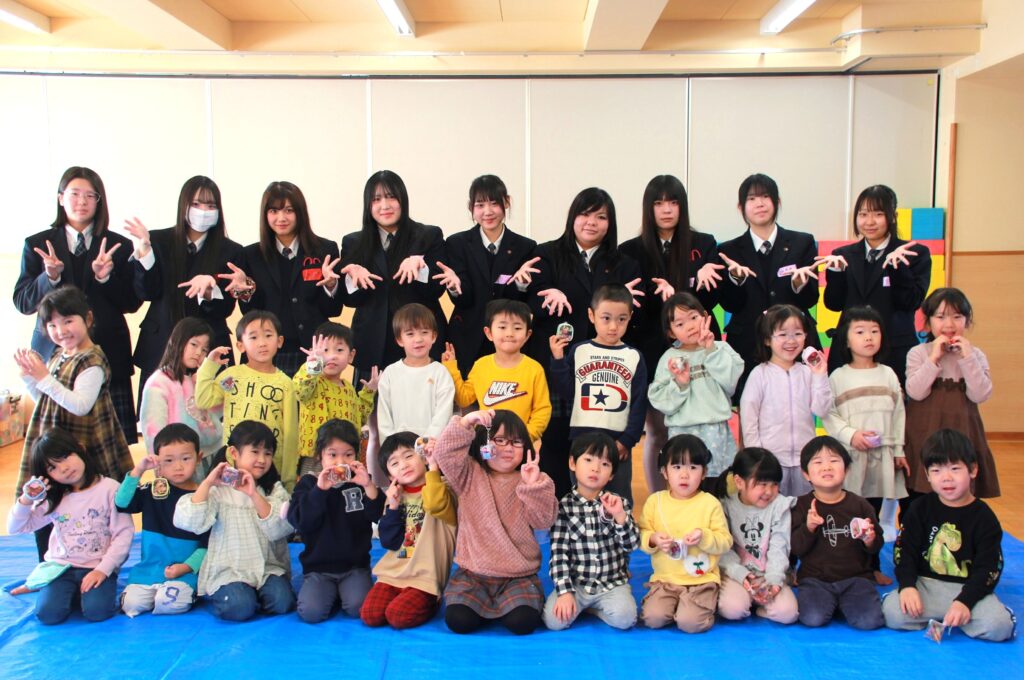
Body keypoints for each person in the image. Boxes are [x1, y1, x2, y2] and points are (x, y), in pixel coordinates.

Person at [526, 188, 642, 493]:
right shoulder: (545, 254)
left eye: (600, 217)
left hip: (606, 372)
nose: (591, 222)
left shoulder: (625, 264)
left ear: (610, 223)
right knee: (556, 445)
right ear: (572, 217)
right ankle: (557, 511)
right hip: (561, 366)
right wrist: (547, 294)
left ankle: (606, 514)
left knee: (601, 453)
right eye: (584, 214)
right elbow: (531, 302)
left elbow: (629, 312)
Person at [14, 166, 141, 442]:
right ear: (61, 198)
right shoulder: (37, 244)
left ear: (99, 201)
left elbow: (132, 302)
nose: (81, 201)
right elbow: (23, 302)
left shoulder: (118, 245)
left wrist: (105, 278)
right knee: (57, 443)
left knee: (109, 441)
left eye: (90, 195)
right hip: (54, 353)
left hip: (107, 351)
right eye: (74, 194)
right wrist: (49, 278)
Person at [13, 287, 134, 560]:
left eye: (68, 321)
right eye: (52, 324)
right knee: (48, 498)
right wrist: (30, 378)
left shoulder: (92, 360)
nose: (61, 330)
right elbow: (47, 399)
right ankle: (50, 560)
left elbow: (80, 405)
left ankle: (93, 558)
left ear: (88, 319)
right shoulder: (59, 354)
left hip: (81, 443)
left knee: (85, 501)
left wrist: (44, 378)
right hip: (54, 442)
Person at [621, 175, 723, 494]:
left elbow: (712, 299)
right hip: (651, 351)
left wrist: (691, 283)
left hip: (700, 350)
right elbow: (638, 306)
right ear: (648, 208)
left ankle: (700, 501)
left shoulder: (704, 244)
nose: (666, 210)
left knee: (700, 429)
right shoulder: (631, 250)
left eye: (673, 202)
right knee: (656, 432)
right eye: (659, 203)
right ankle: (657, 501)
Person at [882, 429, 1015, 642]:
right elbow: (904, 551)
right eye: (936, 471)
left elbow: (989, 566)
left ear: (973, 470)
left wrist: (965, 601)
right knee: (892, 613)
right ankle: (946, 616)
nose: (946, 478)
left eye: (955, 469)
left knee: (998, 627)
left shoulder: (984, 517)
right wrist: (907, 586)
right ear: (927, 475)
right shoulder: (920, 508)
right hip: (926, 585)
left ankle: (960, 614)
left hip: (967, 588)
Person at [433, 409, 558, 635]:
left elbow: (544, 521)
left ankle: (501, 607)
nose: (508, 448)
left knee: (522, 622)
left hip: (517, 576)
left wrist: (532, 486)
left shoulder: (536, 480)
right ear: (484, 442)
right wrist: (465, 422)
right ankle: (482, 606)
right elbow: (444, 453)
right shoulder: (468, 473)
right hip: (473, 574)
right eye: (499, 440)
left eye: (516, 442)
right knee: (459, 620)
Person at [127, 175, 244, 394]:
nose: (203, 211)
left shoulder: (231, 251)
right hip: (161, 344)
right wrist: (144, 251)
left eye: (211, 205)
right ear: (184, 205)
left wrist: (210, 291)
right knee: (157, 410)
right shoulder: (157, 240)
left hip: (208, 351)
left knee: (209, 412)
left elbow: (225, 309)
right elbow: (146, 292)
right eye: (196, 204)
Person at [6, 428, 133, 624]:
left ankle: (75, 593)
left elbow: (123, 534)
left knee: (97, 611)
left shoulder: (110, 488)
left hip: (96, 566)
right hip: (60, 568)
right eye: (52, 468)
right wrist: (26, 499)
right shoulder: (55, 497)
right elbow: (16, 528)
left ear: (80, 449)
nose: (64, 468)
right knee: (48, 614)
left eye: (65, 457)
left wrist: (103, 569)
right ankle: (62, 591)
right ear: (47, 475)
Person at [215, 181, 343, 377]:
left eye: (289, 210)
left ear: (300, 213)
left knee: (311, 396)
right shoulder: (250, 255)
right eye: (274, 211)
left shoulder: (324, 250)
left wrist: (332, 286)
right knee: (265, 397)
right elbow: (250, 313)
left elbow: (333, 310)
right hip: (265, 353)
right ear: (265, 215)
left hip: (312, 353)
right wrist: (246, 292)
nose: (281, 218)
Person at [173, 420, 294, 621]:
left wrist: (254, 494)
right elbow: (189, 522)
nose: (262, 459)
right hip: (230, 570)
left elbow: (280, 528)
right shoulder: (218, 490)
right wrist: (208, 483)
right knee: (239, 606)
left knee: (283, 603)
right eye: (255, 452)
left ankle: (253, 595)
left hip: (267, 568)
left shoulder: (273, 489)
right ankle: (242, 595)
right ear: (234, 453)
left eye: (268, 453)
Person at [822, 306, 908, 584]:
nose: (868, 337)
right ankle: (845, 565)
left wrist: (898, 449)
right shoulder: (838, 376)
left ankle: (871, 566)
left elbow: (899, 415)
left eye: (874, 331)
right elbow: (829, 415)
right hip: (852, 458)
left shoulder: (888, 374)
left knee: (872, 513)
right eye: (860, 332)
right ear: (846, 340)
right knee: (848, 511)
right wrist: (851, 435)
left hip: (882, 457)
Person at [338, 170, 448, 381]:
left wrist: (420, 268)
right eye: (376, 199)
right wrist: (353, 280)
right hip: (372, 345)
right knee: (370, 402)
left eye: (391, 197)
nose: (385, 205)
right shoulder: (353, 242)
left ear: (402, 199)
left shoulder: (428, 235)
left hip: (418, 343)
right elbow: (350, 300)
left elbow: (436, 290)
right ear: (368, 205)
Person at [718, 173, 820, 399]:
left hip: (793, 345)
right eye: (752, 199)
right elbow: (730, 304)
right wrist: (736, 280)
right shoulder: (728, 251)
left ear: (777, 202)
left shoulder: (802, 243)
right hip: (747, 346)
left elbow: (811, 299)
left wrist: (799, 285)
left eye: (765, 197)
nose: (760, 204)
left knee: (798, 407)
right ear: (741, 207)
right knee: (749, 409)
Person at [821, 184, 932, 384]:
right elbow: (833, 304)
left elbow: (911, 302)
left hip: (894, 349)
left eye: (878, 214)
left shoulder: (915, 253)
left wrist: (898, 267)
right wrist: (836, 274)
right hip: (848, 351)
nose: (869, 222)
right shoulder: (842, 255)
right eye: (863, 214)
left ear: (892, 216)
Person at [550, 284, 647, 502]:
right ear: (591, 316)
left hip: (618, 442)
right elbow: (567, 393)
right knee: (582, 498)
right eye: (606, 318)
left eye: (621, 319)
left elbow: (639, 403)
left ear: (630, 317)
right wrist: (558, 360)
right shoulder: (579, 350)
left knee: (619, 498)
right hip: (582, 440)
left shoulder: (634, 356)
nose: (613, 326)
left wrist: (627, 440)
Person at [904, 288, 999, 501]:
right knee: (918, 495)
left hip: (963, 431)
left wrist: (968, 358)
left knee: (960, 492)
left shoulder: (976, 355)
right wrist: (934, 358)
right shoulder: (918, 353)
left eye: (957, 316)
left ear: (967, 320)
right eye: (940, 317)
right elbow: (916, 392)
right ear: (928, 322)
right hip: (923, 432)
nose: (949, 324)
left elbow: (980, 394)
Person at [287, 419, 383, 623]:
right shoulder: (309, 484)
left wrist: (369, 486)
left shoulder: (360, 482)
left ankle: (345, 591)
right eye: (332, 455)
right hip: (319, 569)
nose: (340, 461)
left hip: (354, 566)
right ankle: (331, 592)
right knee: (311, 612)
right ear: (319, 456)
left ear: (356, 456)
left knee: (359, 607)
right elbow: (301, 522)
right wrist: (320, 490)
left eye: (348, 454)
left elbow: (379, 515)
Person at [543, 432, 640, 631]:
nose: (595, 468)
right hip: (577, 584)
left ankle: (594, 610)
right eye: (588, 460)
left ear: (612, 474)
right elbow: (559, 554)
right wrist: (565, 592)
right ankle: (584, 606)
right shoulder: (563, 507)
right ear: (573, 463)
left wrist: (620, 516)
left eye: (604, 464)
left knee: (626, 619)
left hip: (611, 583)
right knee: (553, 621)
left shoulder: (618, 503)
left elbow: (632, 545)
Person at [443, 175, 538, 375]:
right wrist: (453, 287)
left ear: (507, 202)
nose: (488, 212)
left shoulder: (525, 247)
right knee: (465, 393)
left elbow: (521, 303)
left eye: (494, 203)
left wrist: (521, 285)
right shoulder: (457, 244)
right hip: (467, 337)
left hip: (507, 341)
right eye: (480, 205)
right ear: (471, 208)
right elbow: (464, 299)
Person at [194, 310, 300, 489]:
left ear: (279, 341)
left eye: (268, 335)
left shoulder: (285, 384)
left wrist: (288, 479)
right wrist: (209, 365)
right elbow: (204, 400)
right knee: (229, 502)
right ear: (240, 345)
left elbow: (290, 433)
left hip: (268, 466)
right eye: (254, 337)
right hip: (233, 464)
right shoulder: (232, 377)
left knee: (264, 503)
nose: (262, 343)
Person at [361, 431, 457, 629]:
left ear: (423, 456)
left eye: (408, 456)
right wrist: (393, 508)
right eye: (394, 463)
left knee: (397, 616)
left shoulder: (444, 488)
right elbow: (389, 541)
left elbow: (436, 504)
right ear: (390, 475)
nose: (403, 465)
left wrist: (434, 467)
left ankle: (432, 601)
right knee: (370, 615)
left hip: (425, 578)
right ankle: (404, 594)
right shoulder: (395, 495)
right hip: (392, 573)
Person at [648, 292, 743, 490]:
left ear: (705, 317)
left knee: (718, 485)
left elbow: (730, 382)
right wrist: (680, 384)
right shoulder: (669, 358)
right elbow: (660, 400)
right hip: (682, 432)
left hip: (716, 431)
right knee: (686, 486)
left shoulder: (721, 348)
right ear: (671, 332)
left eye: (693, 317)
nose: (690, 326)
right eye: (680, 324)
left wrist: (711, 351)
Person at [638, 434, 732, 633]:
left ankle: (699, 604)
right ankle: (679, 605)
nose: (684, 475)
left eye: (693, 467)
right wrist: (654, 539)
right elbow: (642, 533)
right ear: (664, 472)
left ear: (704, 473)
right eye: (677, 467)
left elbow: (725, 541)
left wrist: (704, 536)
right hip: (665, 580)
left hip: (700, 580)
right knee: (653, 618)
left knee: (689, 623)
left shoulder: (710, 503)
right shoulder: (655, 502)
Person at [115, 423, 209, 617]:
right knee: (131, 604)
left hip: (184, 574)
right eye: (168, 460)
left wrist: (185, 568)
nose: (178, 466)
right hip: (148, 571)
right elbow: (121, 503)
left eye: (186, 458)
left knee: (168, 603)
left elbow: (207, 544)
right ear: (157, 461)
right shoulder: (153, 490)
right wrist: (138, 470)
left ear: (199, 457)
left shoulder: (203, 497)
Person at [790, 436, 884, 630]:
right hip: (815, 579)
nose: (827, 467)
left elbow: (877, 545)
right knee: (813, 618)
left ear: (846, 469)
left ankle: (845, 603)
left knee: (869, 621)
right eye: (818, 462)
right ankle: (838, 604)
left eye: (834, 461)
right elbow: (796, 548)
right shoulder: (801, 506)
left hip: (856, 578)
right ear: (806, 473)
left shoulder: (860, 505)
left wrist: (870, 540)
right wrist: (809, 528)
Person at [740, 304, 832, 497]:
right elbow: (749, 418)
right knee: (773, 508)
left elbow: (821, 410)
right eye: (782, 335)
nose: (791, 341)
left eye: (797, 334)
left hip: (805, 461)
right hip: (771, 461)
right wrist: (758, 458)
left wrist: (820, 375)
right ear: (767, 339)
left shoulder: (807, 373)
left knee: (803, 508)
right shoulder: (759, 374)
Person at [442, 299, 551, 441]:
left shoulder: (534, 369)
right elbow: (464, 399)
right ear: (489, 333)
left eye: (517, 328)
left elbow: (542, 410)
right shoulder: (481, 365)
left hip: (519, 444)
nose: (510, 333)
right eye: (502, 327)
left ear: (527, 335)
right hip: (485, 443)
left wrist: (526, 437)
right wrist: (451, 367)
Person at [715, 447, 798, 624]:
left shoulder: (779, 505)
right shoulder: (724, 506)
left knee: (788, 614)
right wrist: (740, 573)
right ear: (739, 482)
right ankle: (745, 601)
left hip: (769, 574)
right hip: (737, 574)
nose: (769, 491)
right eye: (762, 484)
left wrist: (774, 580)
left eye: (774, 484)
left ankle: (761, 608)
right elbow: (723, 549)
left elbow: (780, 545)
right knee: (732, 609)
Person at [138, 317, 223, 480]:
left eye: (204, 349)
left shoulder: (197, 379)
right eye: (194, 344)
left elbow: (214, 412)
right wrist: (162, 466)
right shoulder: (159, 382)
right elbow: (153, 431)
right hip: (180, 462)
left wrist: (208, 375)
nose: (198, 353)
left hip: (211, 454)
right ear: (178, 342)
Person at [376, 303, 455, 476]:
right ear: (399, 339)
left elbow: (443, 416)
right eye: (410, 334)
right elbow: (384, 418)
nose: (418, 339)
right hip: (400, 458)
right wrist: (394, 451)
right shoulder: (390, 373)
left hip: (431, 454)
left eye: (424, 332)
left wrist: (424, 448)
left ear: (434, 336)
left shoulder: (440, 372)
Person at [293, 322, 377, 476]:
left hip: (345, 459)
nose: (332, 356)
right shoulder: (314, 381)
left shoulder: (349, 388)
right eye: (325, 350)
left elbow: (360, 418)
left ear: (351, 356)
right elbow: (300, 390)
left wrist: (369, 392)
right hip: (315, 458)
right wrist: (313, 364)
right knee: (312, 489)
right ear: (313, 352)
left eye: (339, 350)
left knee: (342, 490)